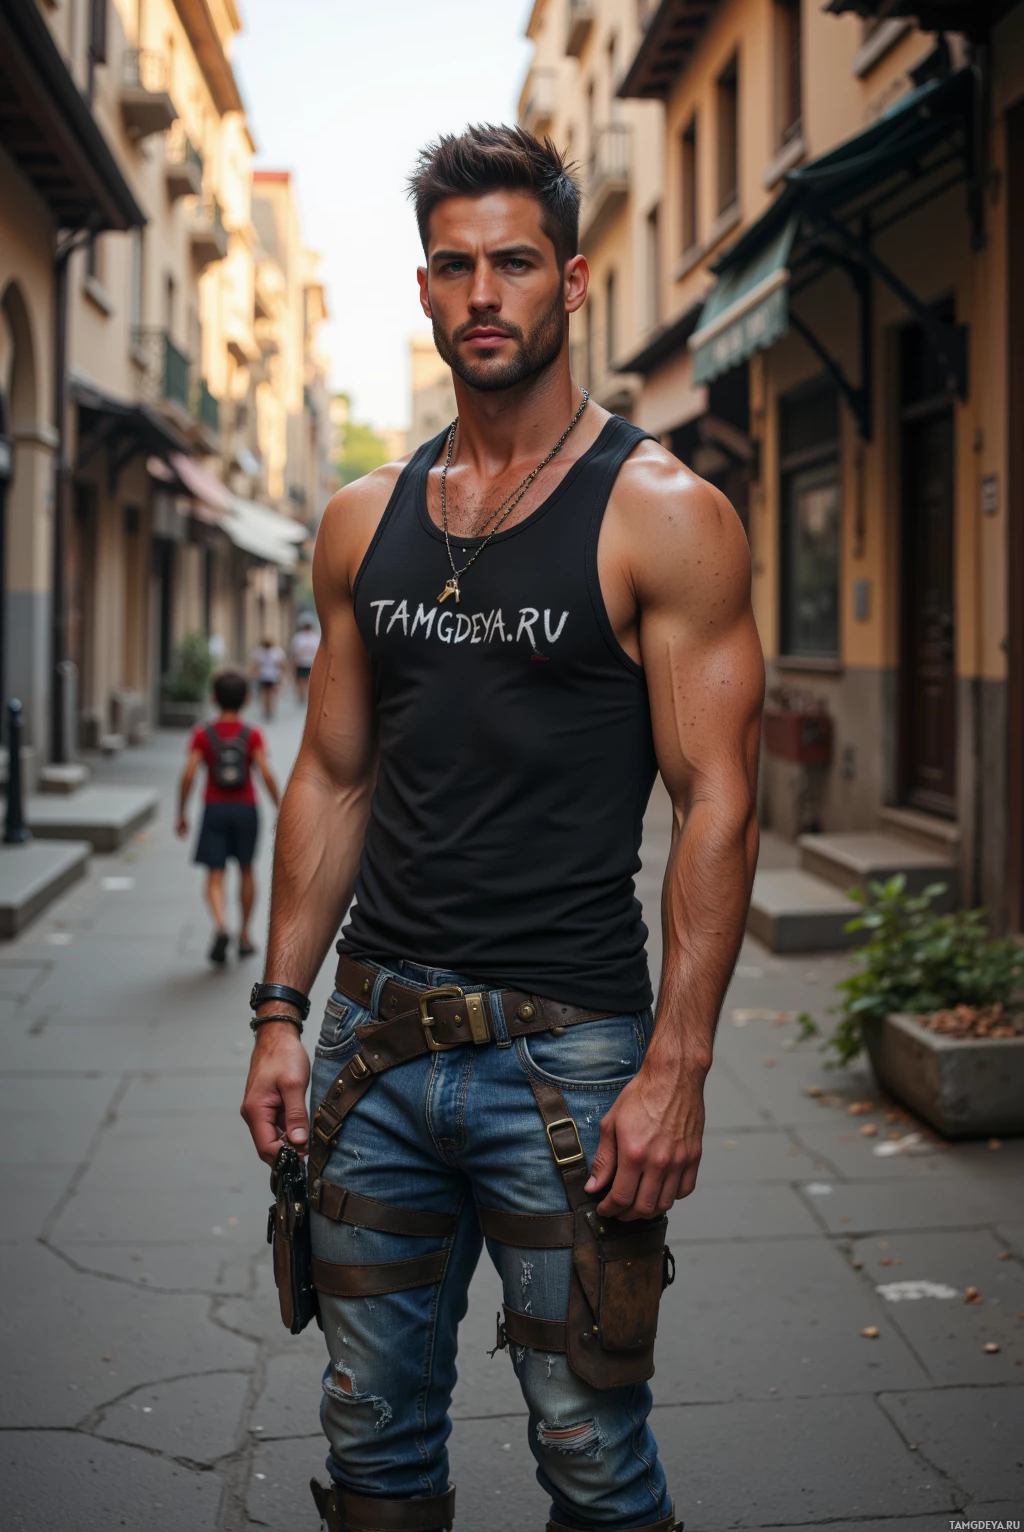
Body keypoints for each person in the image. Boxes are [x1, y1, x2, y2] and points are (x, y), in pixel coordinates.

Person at [241, 125, 763, 1532]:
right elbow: (333, 776)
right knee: (371, 1441)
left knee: (592, 1447)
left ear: (572, 282)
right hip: (372, 1049)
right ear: (424, 289)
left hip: (572, 1057)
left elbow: (719, 798)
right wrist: (280, 1011)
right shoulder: (365, 519)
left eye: (515, 263)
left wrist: (680, 1068)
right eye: (456, 266)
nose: (485, 292)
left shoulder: (664, 516)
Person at [177, 667, 280, 965]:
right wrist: (280, 806)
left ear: (213, 698)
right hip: (246, 808)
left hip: (215, 808)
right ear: (247, 700)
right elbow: (265, 772)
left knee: (214, 875)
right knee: (247, 870)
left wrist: (181, 813)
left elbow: (188, 775)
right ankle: (245, 934)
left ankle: (221, 924)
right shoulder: (252, 734)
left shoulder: (202, 734)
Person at [252, 635, 287, 720]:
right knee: (266, 694)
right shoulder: (260, 652)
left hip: (272, 677)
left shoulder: (276, 652)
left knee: (269, 694)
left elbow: (282, 665)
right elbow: (256, 665)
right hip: (267, 676)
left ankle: (269, 710)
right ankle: (268, 710)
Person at [290, 614, 320, 705]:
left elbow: (295, 652)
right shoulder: (316, 638)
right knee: (307, 681)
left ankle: (302, 696)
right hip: (310, 662)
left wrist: (293, 664)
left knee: (301, 681)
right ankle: (305, 696)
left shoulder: (298, 637)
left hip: (302, 662)